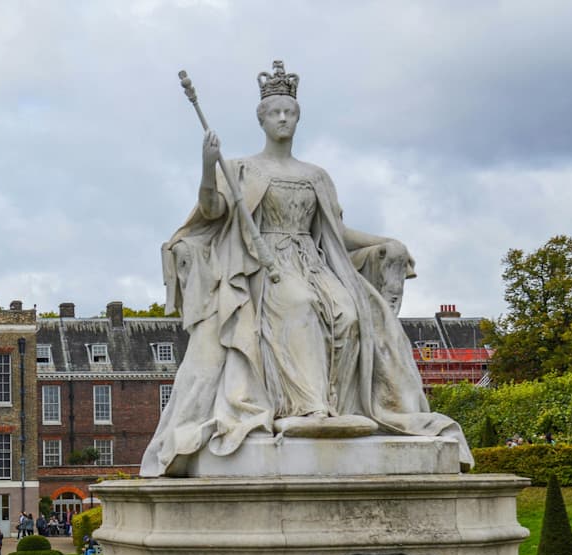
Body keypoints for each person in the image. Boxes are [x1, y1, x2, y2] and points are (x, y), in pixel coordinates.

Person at [140, 61, 471, 477]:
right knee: (298, 306)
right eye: (275, 112)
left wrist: (386, 243)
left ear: (298, 117)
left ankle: (337, 408)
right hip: (262, 266)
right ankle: (307, 406)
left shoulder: (316, 176)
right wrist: (208, 167)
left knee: (349, 314)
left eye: (290, 112)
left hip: (314, 261)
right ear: (261, 119)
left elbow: (336, 231)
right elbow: (213, 211)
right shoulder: (240, 168)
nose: (283, 119)